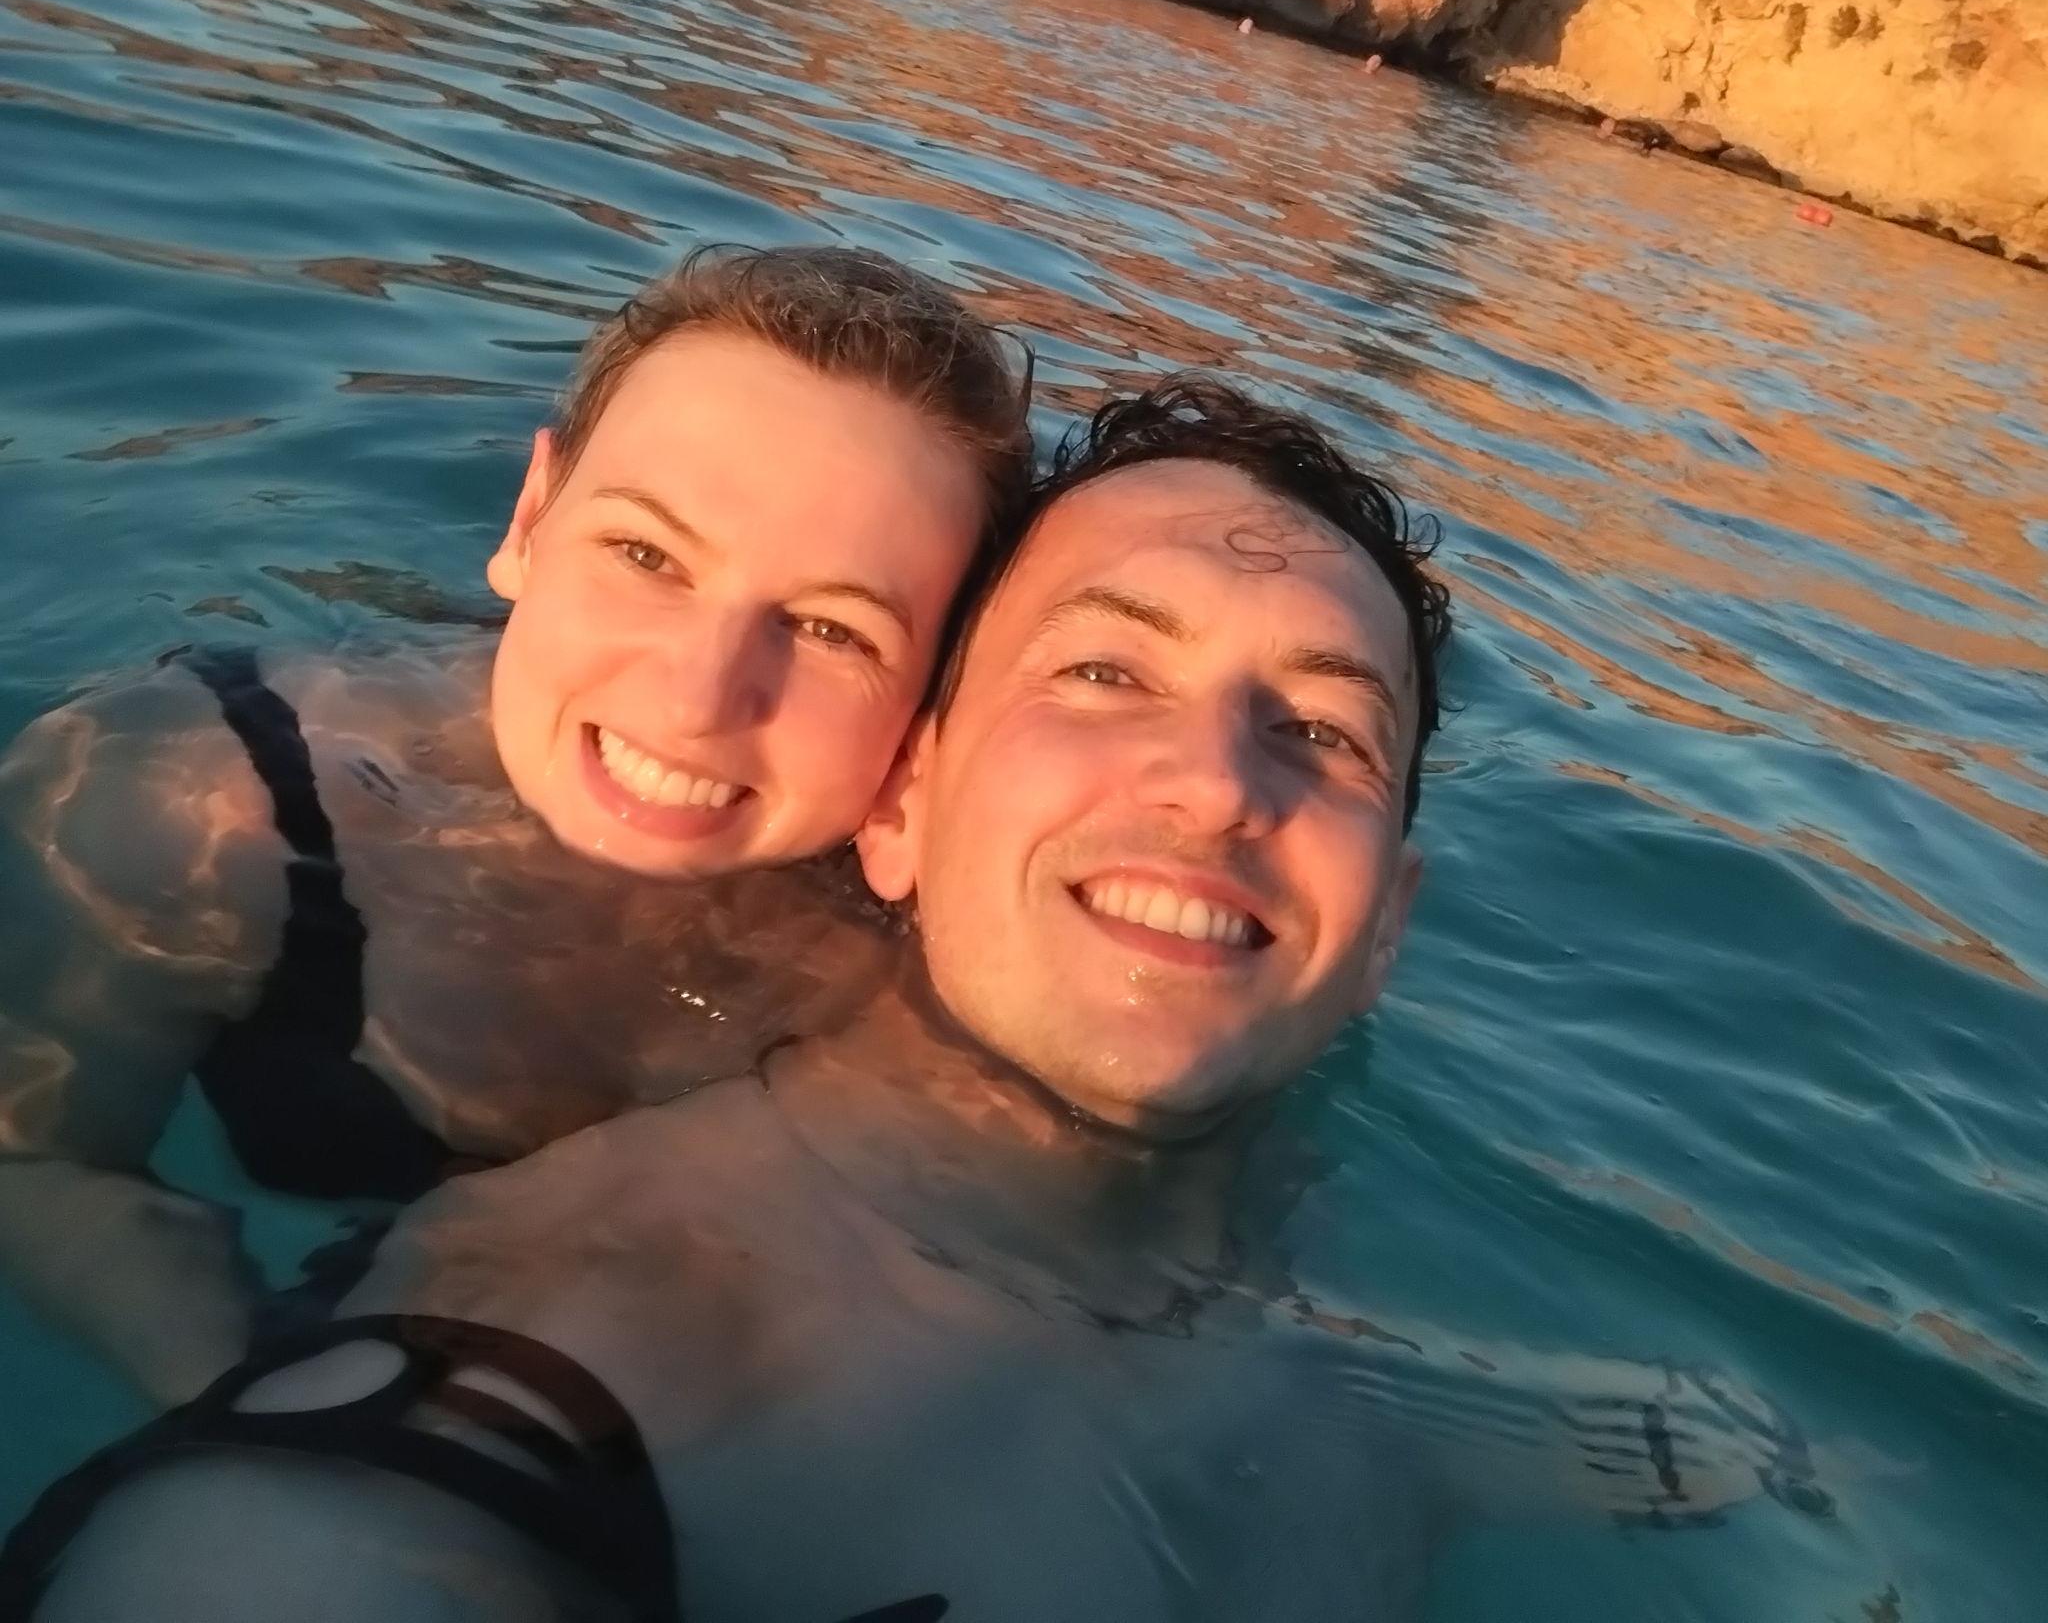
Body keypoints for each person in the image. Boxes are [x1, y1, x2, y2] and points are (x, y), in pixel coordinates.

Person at [0, 381, 1829, 1622]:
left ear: (1387, 923)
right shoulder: (559, 1373)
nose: (1216, 783)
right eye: (1105, 668)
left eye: (1324, 728)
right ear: (895, 804)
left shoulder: (1357, 1348)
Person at [0, 245, 1032, 1409]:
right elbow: (31, 1154)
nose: (697, 697)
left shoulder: (928, 966)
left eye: (834, 629)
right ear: (531, 520)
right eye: (644, 554)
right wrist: (253, 1408)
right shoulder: (204, 801)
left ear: (935, 698)